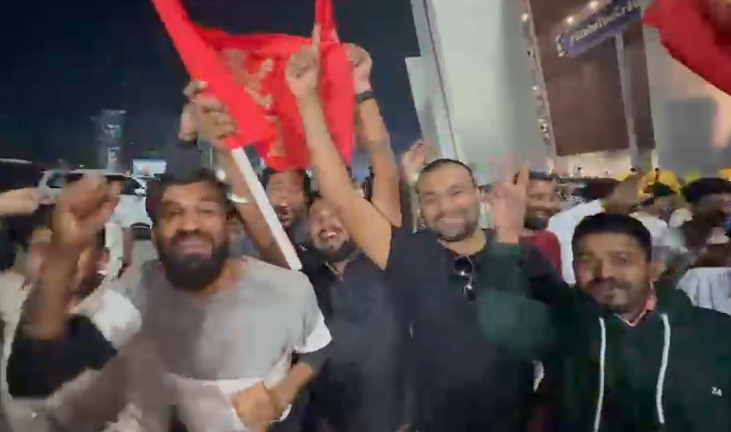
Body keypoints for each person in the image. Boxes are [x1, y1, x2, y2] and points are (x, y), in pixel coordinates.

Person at [283, 27, 550, 432]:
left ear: (477, 195)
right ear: (420, 207)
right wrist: (314, 97)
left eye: (456, 192)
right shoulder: (409, 253)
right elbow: (341, 193)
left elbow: (562, 344)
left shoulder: (523, 256)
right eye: (431, 197)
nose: (446, 206)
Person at [7, 171, 332, 432]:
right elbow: (35, 373)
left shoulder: (286, 289)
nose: (189, 225)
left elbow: (318, 349)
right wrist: (65, 249)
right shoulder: (143, 289)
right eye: (173, 214)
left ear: (232, 229)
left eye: (206, 210)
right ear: (156, 233)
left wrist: (280, 396)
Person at [549, 213, 731, 431]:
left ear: (652, 268)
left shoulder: (717, 333)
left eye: (622, 260)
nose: (604, 273)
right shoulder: (554, 331)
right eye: (586, 261)